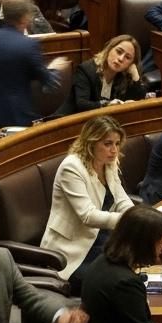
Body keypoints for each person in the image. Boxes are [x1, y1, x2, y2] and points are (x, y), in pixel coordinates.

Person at [42, 117, 135, 293]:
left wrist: (136, 216)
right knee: (116, 283)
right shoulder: (72, 167)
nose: (114, 150)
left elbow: (121, 199)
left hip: (103, 241)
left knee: (135, 273)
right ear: (91, 142)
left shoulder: (108, 162)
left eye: (117, 144)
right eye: (108, 144)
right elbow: (88, 216)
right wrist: (129, 220)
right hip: (73, 251)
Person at [0, 0, 69, 131]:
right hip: (13, 120)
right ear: (25, 18)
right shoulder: (29, 45)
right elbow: (49, 84)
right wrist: (54, 67)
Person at [55, 34, 144, 116]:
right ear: (109, 49)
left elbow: (139, 100)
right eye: (119, 52)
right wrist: (107, 105)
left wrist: (135, 76)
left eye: (127, 57)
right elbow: (82, 104)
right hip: (67, 120)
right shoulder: (86, 70)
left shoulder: (122, 76)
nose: (121, 59)